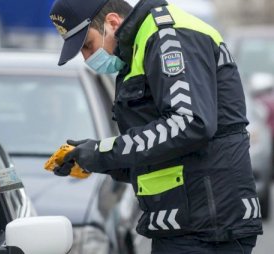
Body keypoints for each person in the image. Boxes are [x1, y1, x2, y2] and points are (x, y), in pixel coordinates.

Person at [49, 0, 263, 253]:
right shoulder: (139, 47)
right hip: (188, 223)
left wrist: (102, 152)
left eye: (87, 45)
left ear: (113, 23)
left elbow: (189, 123)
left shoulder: (169, 37)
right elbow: (159, 151)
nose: (87, 58)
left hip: (208, 226)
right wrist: (92, 159)